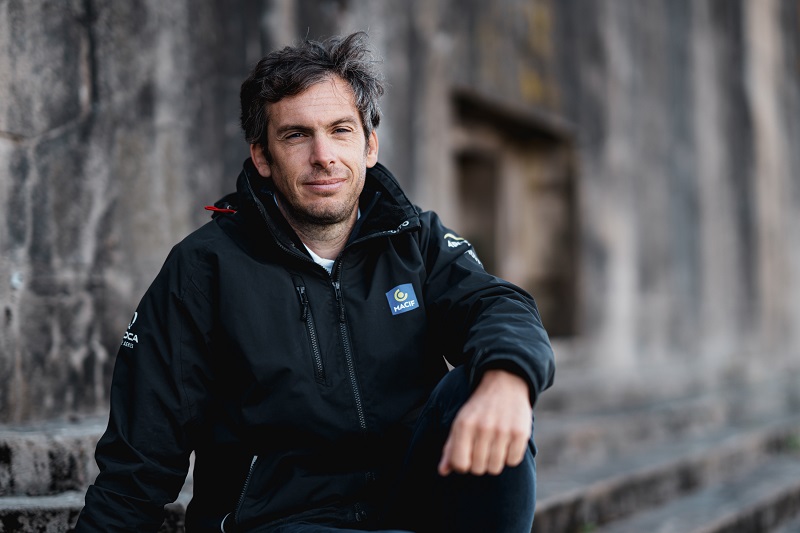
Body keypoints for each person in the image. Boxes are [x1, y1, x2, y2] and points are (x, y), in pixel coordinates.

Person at [74, 31, 555, 533]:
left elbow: (497, 304)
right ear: (262, 157)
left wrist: (506, 378)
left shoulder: (415, 240)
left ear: (369, 146)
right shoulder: (204, 268)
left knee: (485, 378)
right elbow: (138, 465)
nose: (323, 155)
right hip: (281, 522)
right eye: (297, 135)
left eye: (340, 130)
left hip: (413, 503)